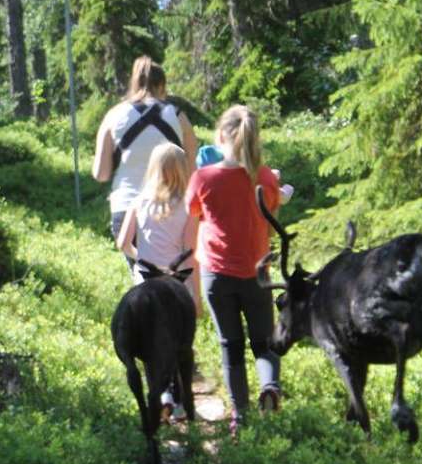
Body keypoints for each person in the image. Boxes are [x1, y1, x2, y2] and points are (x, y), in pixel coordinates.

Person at [185, 104, 283, 436]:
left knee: (231, 345)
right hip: (256, 273)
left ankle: (239, 417)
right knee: (264, 344)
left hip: (216, 274)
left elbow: (194, 210)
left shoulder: (203, 178)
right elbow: (270, 209)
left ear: (222, 136)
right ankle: (270, 386)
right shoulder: (266, 178)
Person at [116, 142, 201, 420]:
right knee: (180, 344)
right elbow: (190, 255)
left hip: (145, 281)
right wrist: (196, 296)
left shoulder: (139, 201)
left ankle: (160, 396)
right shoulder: (189, 207)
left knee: (152, 345)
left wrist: (142, 258)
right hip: (176, 284)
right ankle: (178, 402)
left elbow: (122, 243)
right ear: (182, 170)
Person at [92, 56, 198, 258]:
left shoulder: (113, 116)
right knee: (174, 280)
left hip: (125, 207)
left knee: (142, 279)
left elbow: (101, 174)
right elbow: (192, 171)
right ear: (161, 85)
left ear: (135, 83)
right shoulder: (178, 116)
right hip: (171, 211)